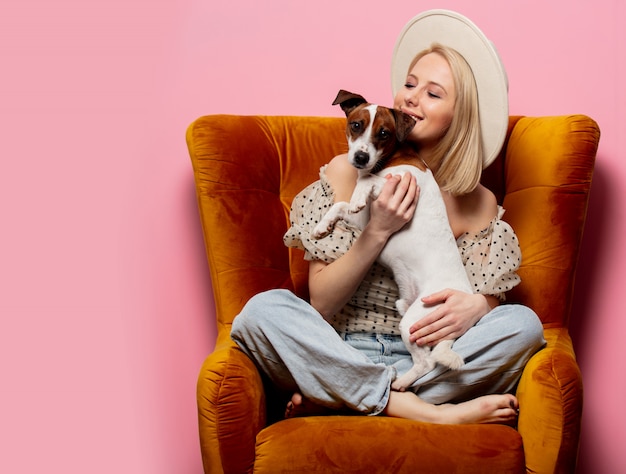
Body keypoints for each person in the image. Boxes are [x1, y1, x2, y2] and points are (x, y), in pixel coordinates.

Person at [231, 10, 545, 425]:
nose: (411, 98)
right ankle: (416, 409)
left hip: (425, 359)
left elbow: (482, 302)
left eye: (433, 94)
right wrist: (377, 230)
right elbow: (321, 303)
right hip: (338, 348)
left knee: (523, 324)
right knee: (260, 311)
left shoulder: (478, 202)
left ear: (460, 115)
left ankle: (346, 395)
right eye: (410, 84)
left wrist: (477, 306)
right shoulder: (348, 174)